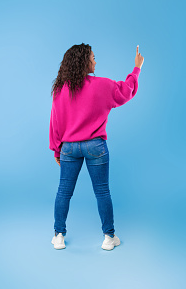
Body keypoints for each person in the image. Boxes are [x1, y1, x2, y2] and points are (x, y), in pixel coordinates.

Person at [49, 43, 144, 250]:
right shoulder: (103, 85)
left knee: (64, 192)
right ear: (84, 62)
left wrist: (57, 149)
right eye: (92, 57)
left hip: (69, 147)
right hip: (96, 146)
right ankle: (109, 238)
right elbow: (126, 91)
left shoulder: (60, 90)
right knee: (102, 192)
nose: (95, 60)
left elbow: (55, 123)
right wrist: (136, 68)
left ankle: (58, 236)